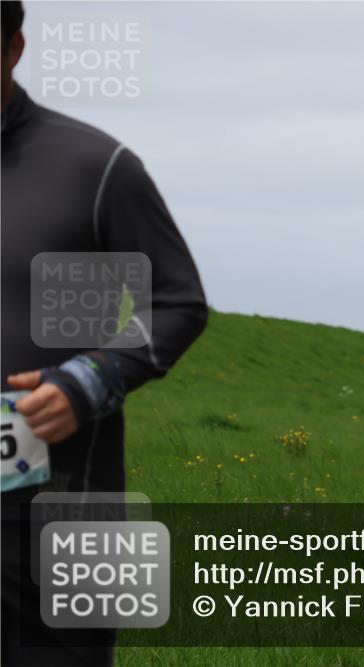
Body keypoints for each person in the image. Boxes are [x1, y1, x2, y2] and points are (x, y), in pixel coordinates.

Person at [1, 3, 208, 664]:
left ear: (14, 48)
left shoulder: (96, 166)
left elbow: (177, 301)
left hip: (69, 508)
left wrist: (86, 379)